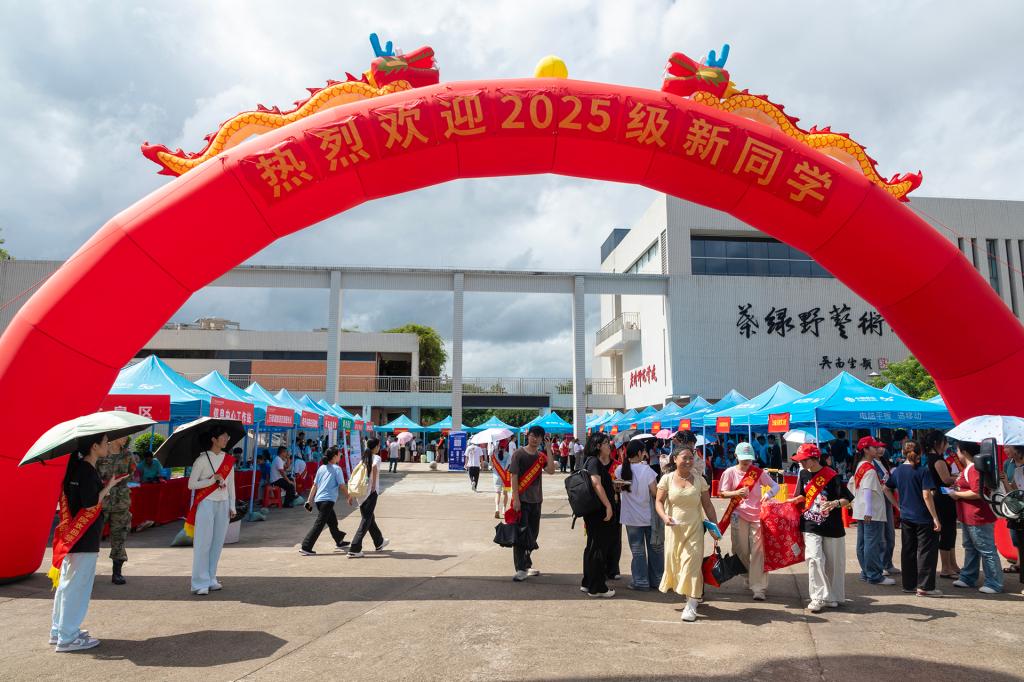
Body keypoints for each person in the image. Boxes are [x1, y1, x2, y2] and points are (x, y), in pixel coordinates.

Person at [50, 434, 127, 652]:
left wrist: (107, 485)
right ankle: (68, 637)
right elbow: (90, 503)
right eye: (105, 442)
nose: (108, 445)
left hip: (74, 538)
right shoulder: (86, 470)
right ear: (94, 446)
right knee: (77, 587)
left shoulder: (77, 469)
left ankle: (59, 630)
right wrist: (108, 487)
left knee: (67, 586)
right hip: (83, 538)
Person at [787, 443, 853, 613]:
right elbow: (803, 495)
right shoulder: (803, 474)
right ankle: (817, 597)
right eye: (799, 460)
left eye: (804, 460)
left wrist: (835, 503)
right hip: (810, 523)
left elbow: (847, 498)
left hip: (832, 526)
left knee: (833, 563)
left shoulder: (831, 475)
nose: (801, 463)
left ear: (815, 458)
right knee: (813, 558)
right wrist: (796, 500)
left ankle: (832, 596)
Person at [656, 447, 717, 622]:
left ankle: (691, 603)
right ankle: (689, 595)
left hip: (694, 529)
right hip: (674, 530)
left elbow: (708, 505)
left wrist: (715, 527)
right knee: (677, 565)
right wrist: (664, 517)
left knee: (691, 565)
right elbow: (658, 501)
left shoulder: (699, 480)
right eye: (685, 458)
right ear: (675, 459)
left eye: (691, 458)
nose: (689, 461)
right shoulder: (666, 479)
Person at [719, 442, 779, 600]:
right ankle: (747, 575)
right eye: (743, 458)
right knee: (741, 551)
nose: (746, 461)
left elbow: (775, 486)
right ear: (736, 456)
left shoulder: (758, 473)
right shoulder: (729, 472)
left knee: (759, 551)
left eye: (749, 459)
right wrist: (736, 492)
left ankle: (759, 587)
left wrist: (768, 494)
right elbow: (722, 493)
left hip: (758, 516)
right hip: (738, 515)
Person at [884, 440, 943, 596]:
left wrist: (897, 505)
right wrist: (935, 517)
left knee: (908, 550)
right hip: (923, 516)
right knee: (926, 552)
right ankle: (925, 586)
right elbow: (927, 495)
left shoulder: (897, 471)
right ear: (920, 452)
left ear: (902, 452)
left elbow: (886, 488)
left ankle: (909, 584)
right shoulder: (923, 471)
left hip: (906, 516)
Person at [187, 426, 236, 596]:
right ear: (214, 439)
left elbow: (231, 485)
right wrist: (211, 480)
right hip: (206, 503)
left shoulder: (228, 460)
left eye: (227, 436)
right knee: (203, 543)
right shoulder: (201, 460)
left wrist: (232, 505)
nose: (226, 439)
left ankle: (211, 578)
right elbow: (191, 484)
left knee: (217, 543)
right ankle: (199, 582)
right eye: (223, 436)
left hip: (223, 503)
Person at [950, 441, 1004, 594]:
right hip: (969, 515)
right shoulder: (971, 468)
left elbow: (977, 492)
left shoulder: (973, 468)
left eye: (958, 450)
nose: (957, 454)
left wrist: (957, 494)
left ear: (964, 452)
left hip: (977, 516)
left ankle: (994, 583)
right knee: (971, 547)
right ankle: (968, 577)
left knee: (986, 549)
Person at [509, 425, 557, 582]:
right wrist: (516, 499)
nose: (535, 438)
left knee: (533, 535)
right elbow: (513, 476)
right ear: (527, 435)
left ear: (542, 439)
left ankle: (527, 564)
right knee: (521, 536)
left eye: (538, 436)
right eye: (532, 435)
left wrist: (548, 449)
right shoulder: (519, 454)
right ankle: (520, 569)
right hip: (522, 501)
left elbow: (551, 470)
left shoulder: (541, 456)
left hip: (536, 500)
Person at [615, 438, 663, 592]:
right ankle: (657, 580)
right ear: (640, 453)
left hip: (630, 518)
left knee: (637, 552)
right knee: (655, 549)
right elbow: (655, 492)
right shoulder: (646, 470)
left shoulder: (620, 469)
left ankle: (641, 581)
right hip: (648, 517)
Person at [850, 436, 895, 586]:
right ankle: (874, 575)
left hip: (862, 509)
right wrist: (869, 510)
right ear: (866, 450)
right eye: (874, 447)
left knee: (864, 543)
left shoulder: (860, 465)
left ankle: (866, 572)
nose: (878, 449)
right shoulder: (869, 468)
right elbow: (868, 489)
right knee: (872, 544)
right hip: (871, 512)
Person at [580, 432, 618, 597]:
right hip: (599, 512)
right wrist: (608, 505)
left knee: (592, 546)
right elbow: (596, 484)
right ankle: (597, 588)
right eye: (606, 443)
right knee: (598, 548)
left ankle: (588, 582)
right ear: (597, 446)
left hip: (594, 511)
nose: (609, 445)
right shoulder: (594, 462)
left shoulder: (589, 461)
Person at [923, 430, 960, 578]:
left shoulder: (932, 458)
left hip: (942, 497)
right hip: (943, 499)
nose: (947, 445)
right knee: (947, 532)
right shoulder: (938, 460)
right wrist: (961, 477)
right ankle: (946, 567)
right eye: (945, 442)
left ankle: (953, 564)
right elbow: (945, 479)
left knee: (951, 532)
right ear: (937, 443)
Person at [96, 436, 133, 586]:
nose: (126, 438)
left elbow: (131, 473)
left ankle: (117, 572)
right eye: (123, 435)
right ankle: (86, 569)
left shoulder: (128, 455)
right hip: (102, 501)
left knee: (119, 536)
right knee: (93, 536)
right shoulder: (101, 453)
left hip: (121, 503)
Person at [300, 447, 351, 555]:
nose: (340, 456)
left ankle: (339, 540)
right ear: (334, 456)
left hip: (319, 500)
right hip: (327, 501)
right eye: (339, 454)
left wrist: (309, 501)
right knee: (319, 524)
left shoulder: (321, 468)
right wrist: (348, 496)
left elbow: (314, 485)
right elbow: (342, 486)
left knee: (333, 522)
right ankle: (306, 546)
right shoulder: (337, 469)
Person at [347, 438, 390, 558]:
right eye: (378, 446)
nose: (379, 448)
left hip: (361, 494)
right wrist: (374, 484)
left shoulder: (363, 458)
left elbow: (356, 477)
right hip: (370, 493)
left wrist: (351, 495)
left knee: (370, 518)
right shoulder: (376, 458)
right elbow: (374, 466)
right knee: (366, 520)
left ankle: (379, 541)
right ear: (375, 447)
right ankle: (354, 548)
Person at [998, 444, 1024, 594]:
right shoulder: (1016, 469)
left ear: (1019, 450)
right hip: (1019, 512)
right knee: (1020, 544)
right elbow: (1013, 491)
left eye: (1009, 447)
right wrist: (1004, 481)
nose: (1005, 450)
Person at [491, 441, 512, 519]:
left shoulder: (494, 454)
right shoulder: (508, 455)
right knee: (505, 493)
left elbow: (492, 465)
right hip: (506, 477)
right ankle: (504, 509)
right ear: (506, 447)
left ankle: (497, 508)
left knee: (497, 493)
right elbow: (509, 466)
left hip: (496, 476)